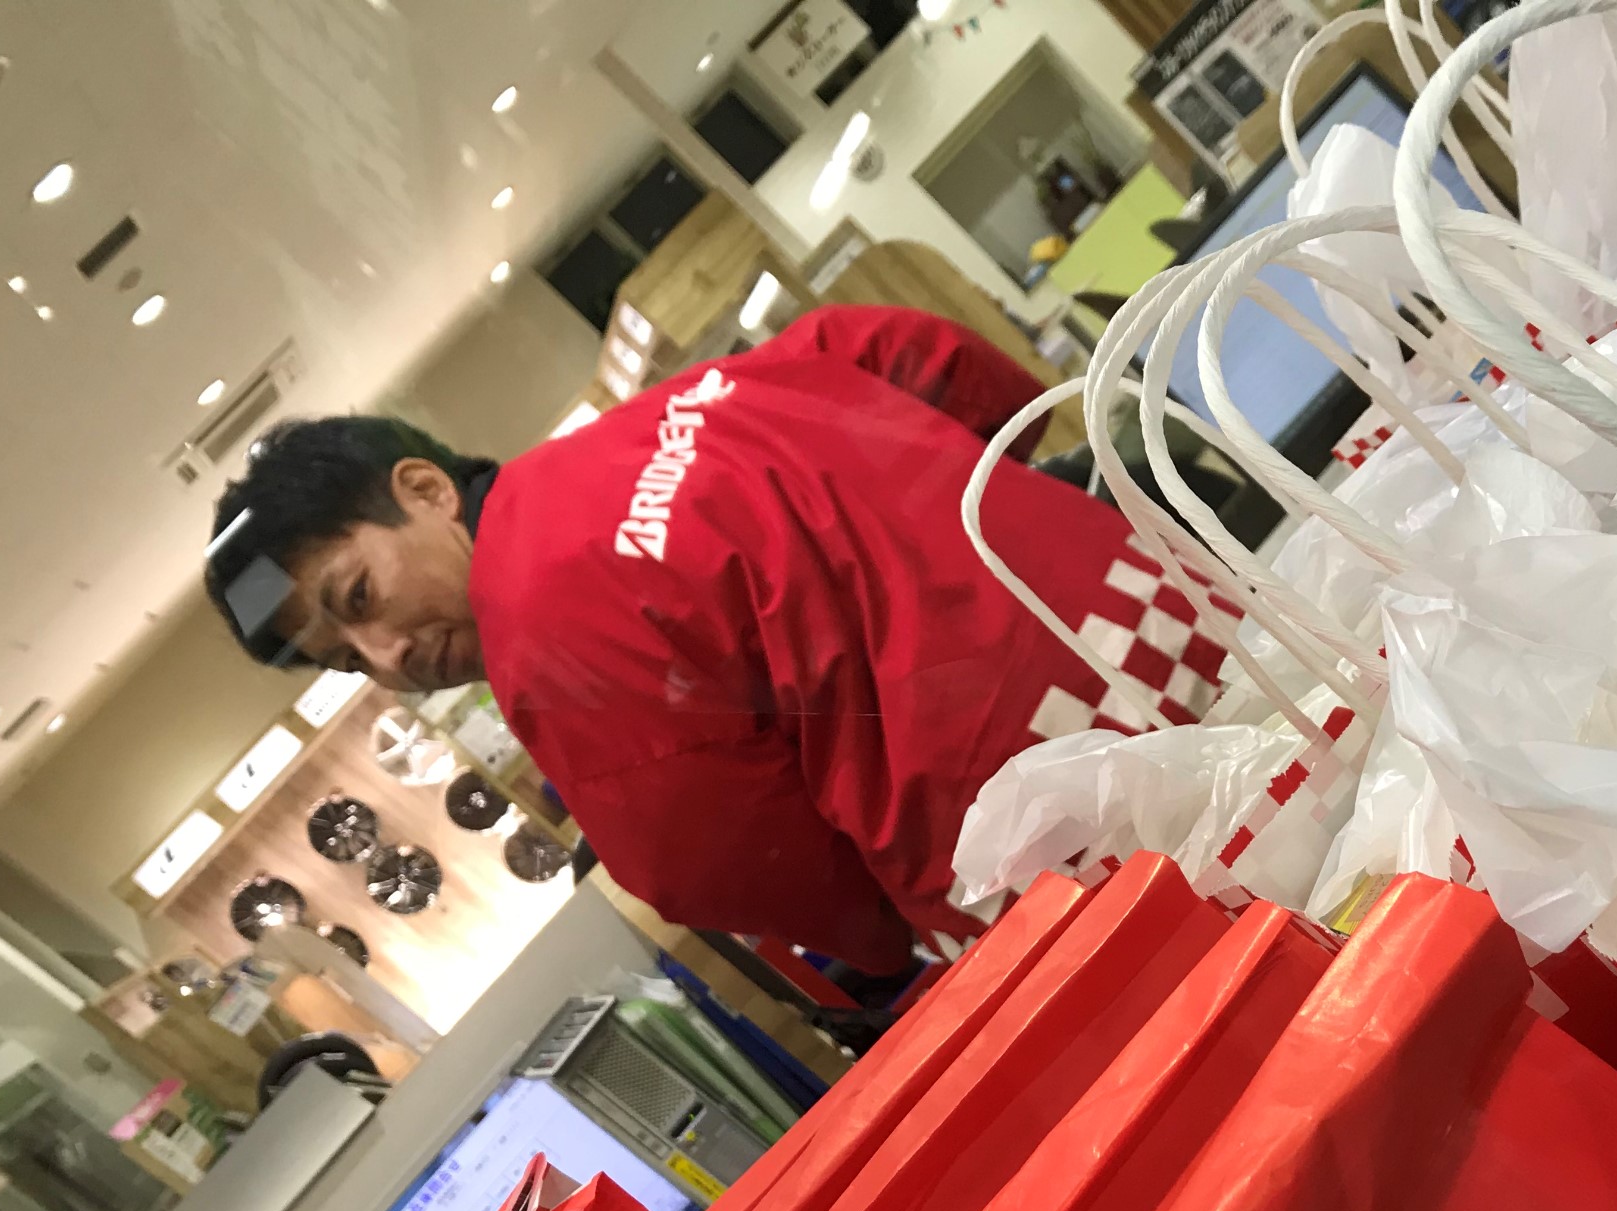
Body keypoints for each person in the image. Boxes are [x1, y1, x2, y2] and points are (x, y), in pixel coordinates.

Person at [201, 306, 1220, 975]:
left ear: (424, 490)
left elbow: (726, 863)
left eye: (359, 596)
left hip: (1079, 844)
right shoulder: (677, 410)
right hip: (1185, 629)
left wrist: (876, 940)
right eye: (346, 658)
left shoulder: (537, 625)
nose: (384, 655)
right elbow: (928, 357)